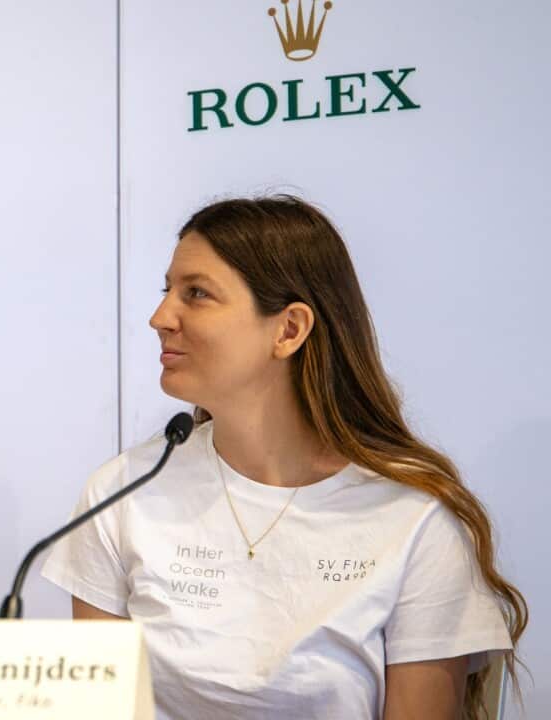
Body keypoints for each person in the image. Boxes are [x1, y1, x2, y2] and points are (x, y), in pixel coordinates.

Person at [41, 196, 527, 719]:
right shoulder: (121, 493)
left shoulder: (416, 521)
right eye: (168, 291)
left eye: (197, 293)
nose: (160, 318)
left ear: (289, 329)